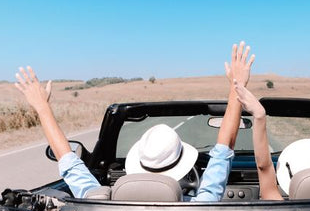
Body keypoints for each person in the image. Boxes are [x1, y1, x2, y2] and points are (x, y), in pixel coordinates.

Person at [14, 42, 255, 201]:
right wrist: (236, 88)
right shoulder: (203, 204)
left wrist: (42, 108)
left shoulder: (98, 201)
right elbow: (225, 146)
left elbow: (67, 160)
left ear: (138, 163)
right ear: (183, 163)